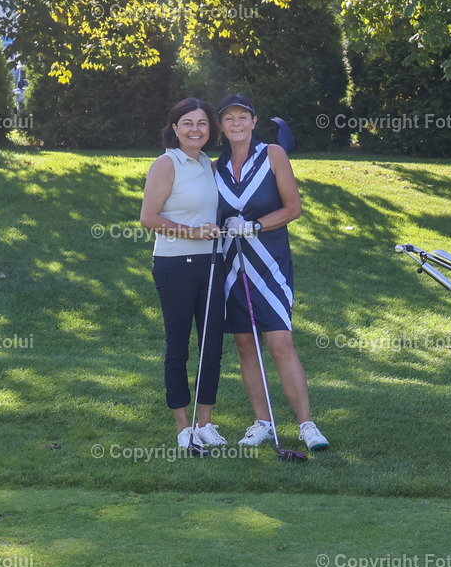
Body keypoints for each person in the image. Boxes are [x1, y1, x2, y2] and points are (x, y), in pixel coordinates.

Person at [214, 94, 329, 451]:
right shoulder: (214, 167)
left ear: (253, 121)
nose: (236, 123)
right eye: (229, 118)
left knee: (280, 343)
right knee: (245, 344)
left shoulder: (272, 155)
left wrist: (256, 226)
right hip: (231, 267)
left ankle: (307, 425)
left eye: (242, 117)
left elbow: (293, 207)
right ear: (221, 126)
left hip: (270, 264)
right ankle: (262, 422)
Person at [140, 98, 227, 450]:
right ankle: (183, 428)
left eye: (202, 123)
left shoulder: (208, 163)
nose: (195, 129)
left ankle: (204, 423)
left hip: (212, 263)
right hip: (175, 265)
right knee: (178, 347)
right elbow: (149, 218)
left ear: (210, 129)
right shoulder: (166, 163)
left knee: (213, 346)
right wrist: (194, 232)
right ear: (174, 128)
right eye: (187, 123)